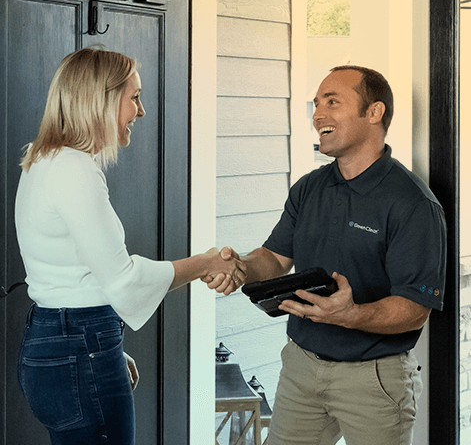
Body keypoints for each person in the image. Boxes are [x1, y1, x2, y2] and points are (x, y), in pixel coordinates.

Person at [15, 46, 245, 445]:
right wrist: (206, 261)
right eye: (134, 97)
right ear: (101, 99)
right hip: (79, 346)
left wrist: (105, 349)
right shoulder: (73, 169)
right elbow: (123, 279)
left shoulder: (42, 160)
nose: (141, 111)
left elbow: (74, 276)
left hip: (56, 343)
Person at [205, 66, 447, 445]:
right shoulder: (309, 188)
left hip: (374, 379)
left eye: (332, 102)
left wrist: (351, 316)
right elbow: (273, 257)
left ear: (374, 112)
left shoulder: (412, 203)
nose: (318, 114)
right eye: (316, 103)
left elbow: (415, 308)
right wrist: (241, 267)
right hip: (302, 366)